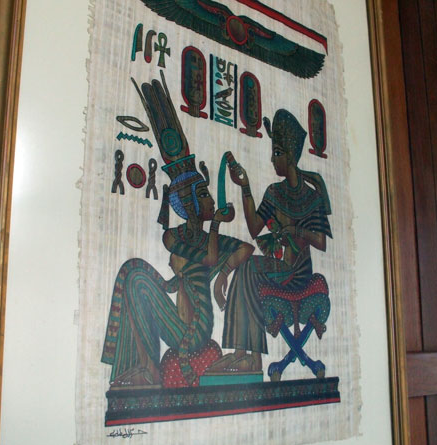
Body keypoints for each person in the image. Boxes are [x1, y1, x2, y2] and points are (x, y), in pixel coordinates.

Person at [101, 74, 254, 387]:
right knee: (132, 271)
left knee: (138, 280)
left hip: (196, 331)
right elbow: (198, 264)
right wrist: (213, 232)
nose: (211, 200)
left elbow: (243, 250)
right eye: (204, 195)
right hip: (179, 323)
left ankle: (149, 368)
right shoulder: (173, 236)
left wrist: (222, 273)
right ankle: (142, 365)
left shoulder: (211, 238)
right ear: (190, 203)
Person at [209, 109, 332, 374]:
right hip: (279, 267)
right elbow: (255, 227)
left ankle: (251, 357)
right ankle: (242, 353)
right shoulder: (274, 192)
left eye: (277, 153)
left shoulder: (312, 198)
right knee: (246, 267)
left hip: (297, 272)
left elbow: (321, 241)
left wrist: (296, 230)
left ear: (291, 157)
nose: (272, 159)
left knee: (248, 268)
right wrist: (244, 186)